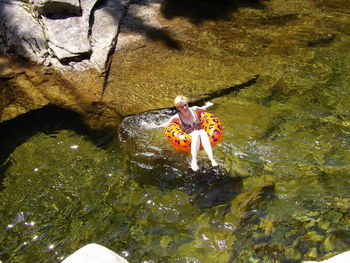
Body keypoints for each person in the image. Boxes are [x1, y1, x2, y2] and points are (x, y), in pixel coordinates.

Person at [164, 95, 218, 171]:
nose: (185, 108)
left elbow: (203, 108)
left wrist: (209, 104)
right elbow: (165, 125)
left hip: (201, 136)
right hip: (188, 138)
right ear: (178, 108)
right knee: (196, 133)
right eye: (181, 107)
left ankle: (212, 159)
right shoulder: (176, 117)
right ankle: (194, 161)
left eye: (185, 105)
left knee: (201, 131)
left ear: (187, 103)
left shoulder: (195, 109)